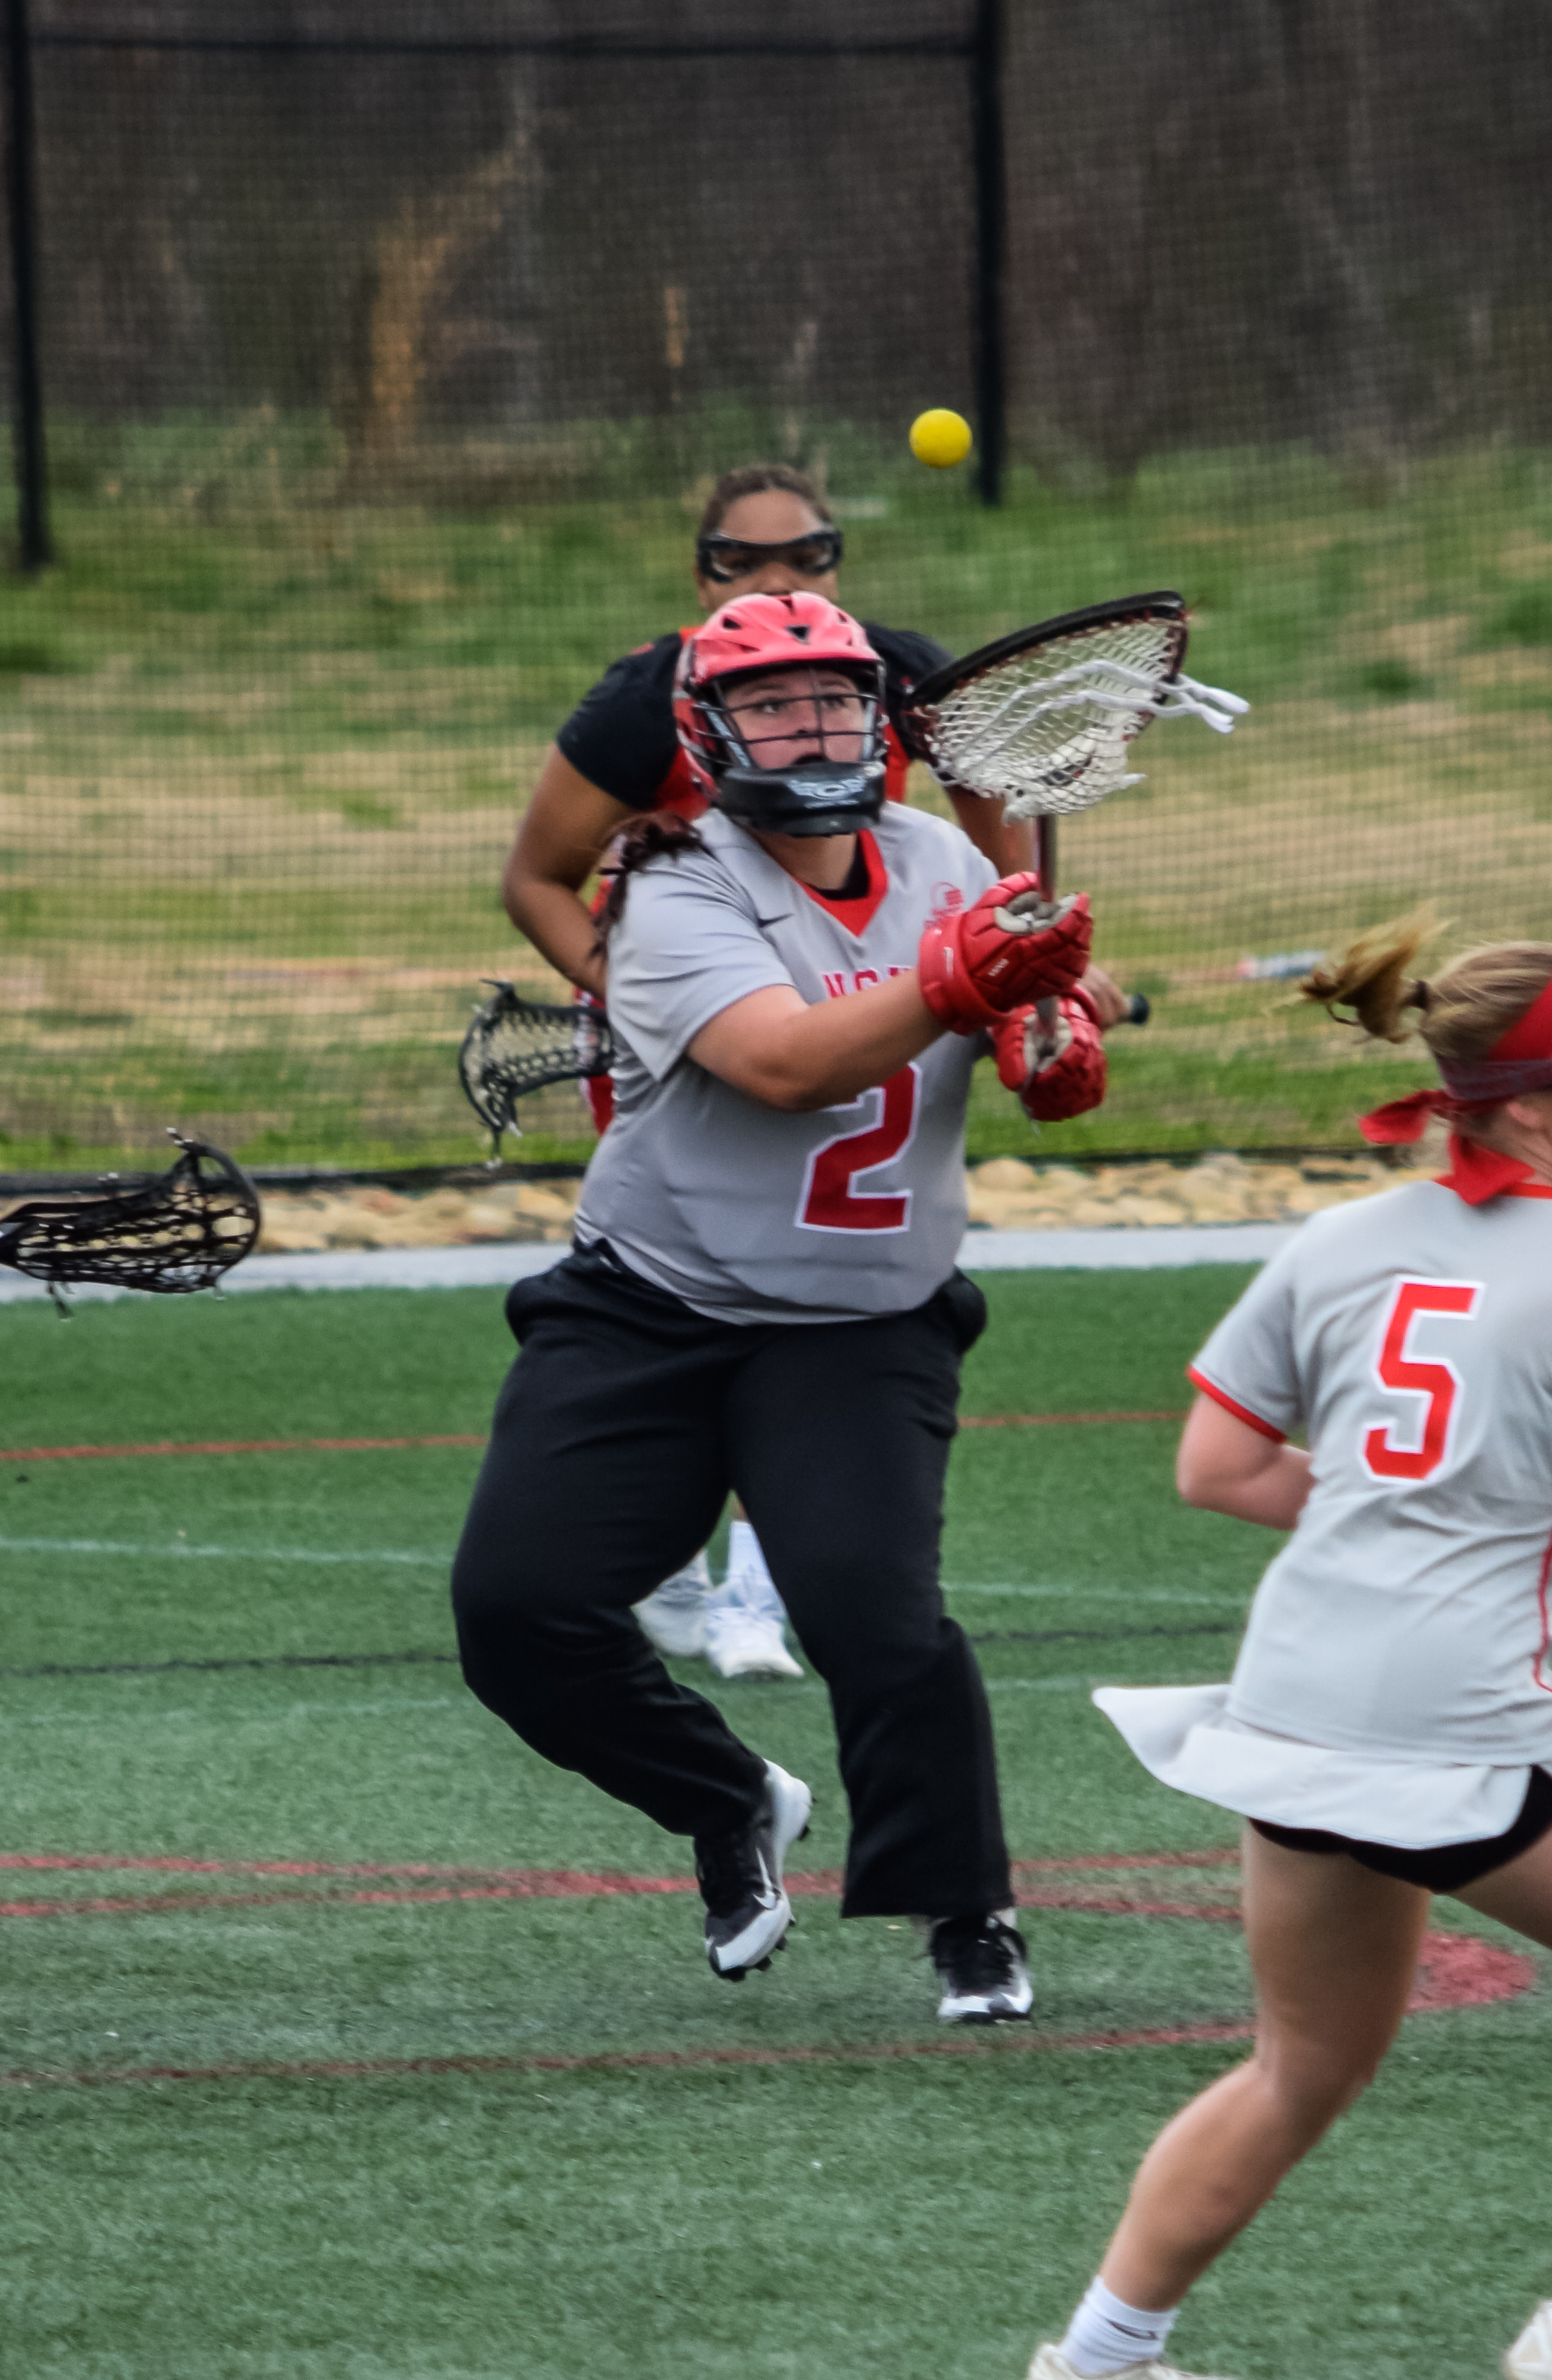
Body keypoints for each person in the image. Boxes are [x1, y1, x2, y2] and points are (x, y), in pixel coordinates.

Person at [453, 590, 1108, 2022]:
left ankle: (968, 1912)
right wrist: (965, 982)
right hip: (652, 1304)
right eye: (771, 702)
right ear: (704, 726)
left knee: (876, 1620)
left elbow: (1041, 1016)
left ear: (882, 719)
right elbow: (787, 1065)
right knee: (516, 1612)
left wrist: (1051, 1030)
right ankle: (730, 1796)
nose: (809, 725)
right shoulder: (676, 884)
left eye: (833, 698)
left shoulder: (945, 859)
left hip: (861, 1321)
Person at [1028, 913, 1552, 2380]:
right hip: (1460, 1720)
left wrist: (1408, 1515)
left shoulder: (1343, 1239)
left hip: (1302, 1697)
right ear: (1520, 1104)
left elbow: (1220, 1466)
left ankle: (1099, 2360)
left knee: (1299, 2068)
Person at [501, 460, 1130, 1679]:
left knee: (828, 1309)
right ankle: (663, 1551)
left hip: (875, 1021)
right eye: (745, 560)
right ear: (701, 572)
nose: (783, 576)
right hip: (712, 1002)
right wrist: (641, 998)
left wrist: (1037, 989)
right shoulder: (645, 697)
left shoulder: (897, 676)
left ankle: (759, 1586)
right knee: (694, 1264)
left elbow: (1008, 896)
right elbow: (538, 875)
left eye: (812, 552)